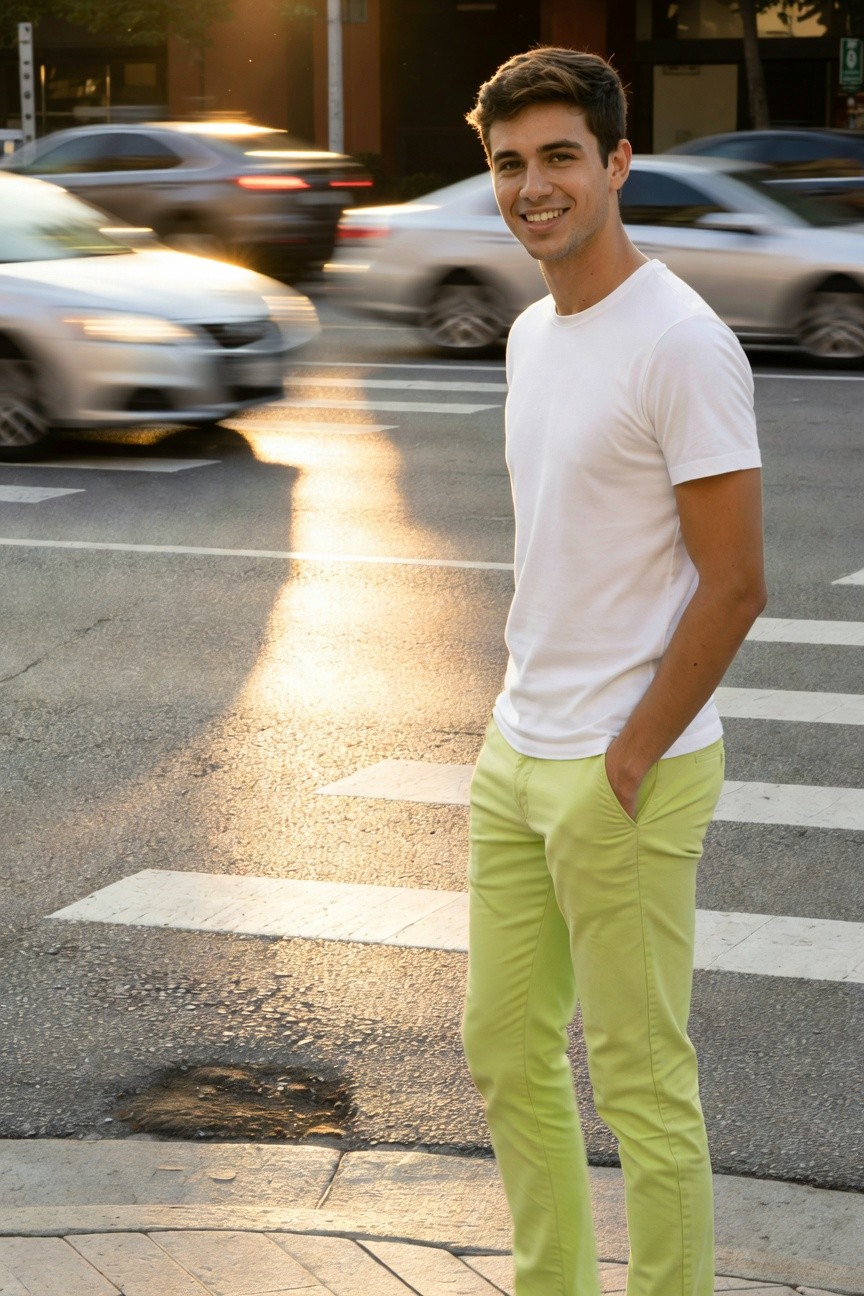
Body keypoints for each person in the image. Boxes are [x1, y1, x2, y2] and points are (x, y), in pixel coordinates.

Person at [461, 47, 767, 1296]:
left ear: (616, 163)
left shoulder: (681, 342)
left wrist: (629, 753)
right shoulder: (534, 332)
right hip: (515, 749)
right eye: (508, 164)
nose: (533, 187)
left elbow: (737, 581)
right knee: (503, 1050)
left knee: (642, 1081)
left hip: (619, 772)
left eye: (558, 158)